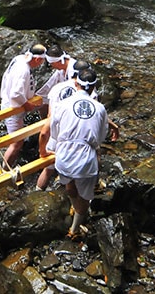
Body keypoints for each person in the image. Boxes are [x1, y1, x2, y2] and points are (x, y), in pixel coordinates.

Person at [45, 67, 109, 240]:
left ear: (76, 83)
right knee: (86, 197)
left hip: (63, 156)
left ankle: (74, 206)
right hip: (85, 159)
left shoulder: (62, 105)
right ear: (94, 87)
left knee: (69, 184)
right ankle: (75, 228)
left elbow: (54, 131)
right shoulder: (100, 108)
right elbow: (101, 136)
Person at [36, 68, 93, 190]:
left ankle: (38, 191)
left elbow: (48, 119)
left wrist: (42, 151)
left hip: (55, 135)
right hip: (73, 138)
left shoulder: (58, 88)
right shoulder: (88, 94)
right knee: (72, 173)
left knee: (48, 170)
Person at [0, 43, 46, 167]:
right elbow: (15, 94)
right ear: (37, 59)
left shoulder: (19, 58)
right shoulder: (23, 70)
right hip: (13, 108)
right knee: (16, 143)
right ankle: (5, 170)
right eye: (41, 61)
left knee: (18, 141)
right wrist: (26, 104)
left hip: (11, 102)